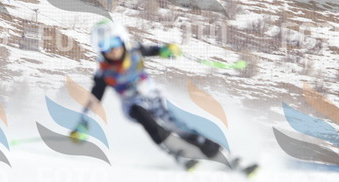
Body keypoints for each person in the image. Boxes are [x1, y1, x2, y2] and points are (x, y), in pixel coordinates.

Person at [69, 19, 238, 171]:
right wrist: (83, 123)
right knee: (147, 120)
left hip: (154, 97)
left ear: (122, 40)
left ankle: (219, 154)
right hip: (133, 104)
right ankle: (177, 153)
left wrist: (167, 50)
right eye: (103, 46)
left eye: (113, 42)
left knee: (178, 126)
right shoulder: (104, 73)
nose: (111, 50)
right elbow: (95, 99)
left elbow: (154, 50)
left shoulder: (134, 51)